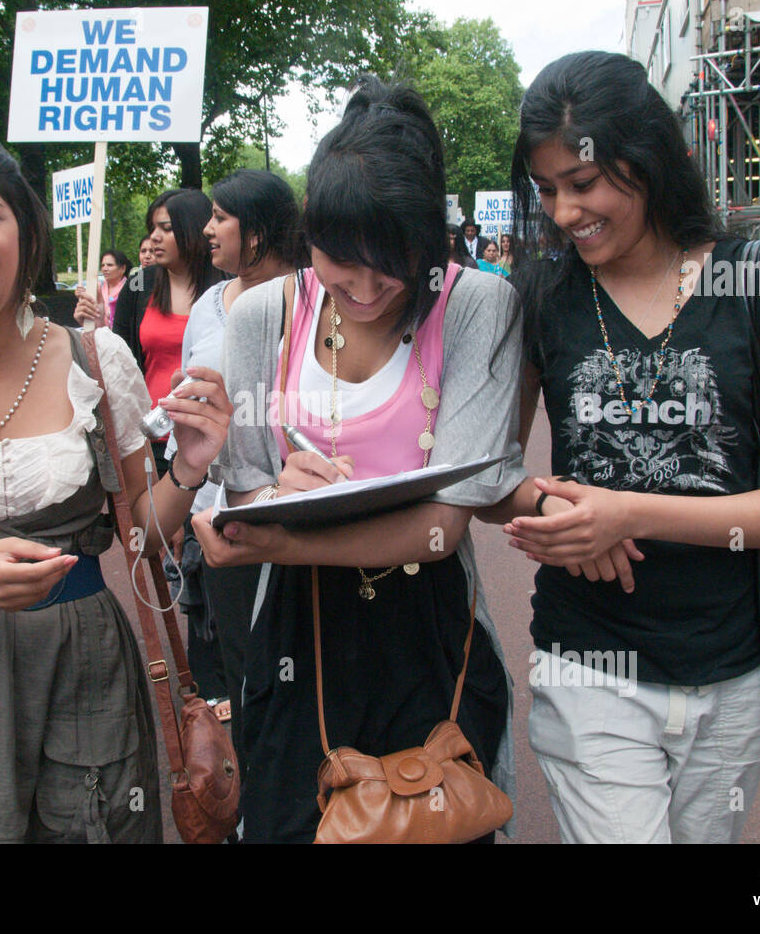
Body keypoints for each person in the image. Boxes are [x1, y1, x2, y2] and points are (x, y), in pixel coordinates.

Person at [192, 77, 558, 843]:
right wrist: (260, 500)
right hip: (298, 632)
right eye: (338, 260)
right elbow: (248, 498)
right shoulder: (264, 314)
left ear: (429, 239)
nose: (362, 289)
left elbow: (444, 527)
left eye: (390, 263)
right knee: (294, 819)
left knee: (443, 815)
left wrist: (284, 535)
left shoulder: (475, 306)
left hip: (428, 627)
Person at [486, 50, 760, 844]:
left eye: (585, 184)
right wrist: (563, 507)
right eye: (547, 191)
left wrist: (626, 513)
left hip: (734, 670)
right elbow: (490, 474)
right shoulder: (541, 294)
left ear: (646, 161)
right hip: (589, 665)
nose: (566, 212)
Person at [0, 132, 232, 844]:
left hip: (84, 672)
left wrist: (190, 466)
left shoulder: (96, 358)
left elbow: (142, 532)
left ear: (27, 234)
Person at [162, 169, 307, 767]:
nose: (208, 228)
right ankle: (249, 807)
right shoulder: (206, 304)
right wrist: (181, 489)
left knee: (295, 675)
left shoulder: (313, 298)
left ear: (260, 231)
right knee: (238, 674)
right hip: (215, 518)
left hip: (295, 516)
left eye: (222, 216)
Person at [108, 189, 225, 475]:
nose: (154, 238)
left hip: (211, 436)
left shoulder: (228, 288)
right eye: (152, 229)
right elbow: (122, 364)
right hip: (152, 437)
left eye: (167, 228)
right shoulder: (137, 288)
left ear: (196, 230)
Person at [71, 249, 132, 328]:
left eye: (110, 265)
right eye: (103, 265)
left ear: (123, 268)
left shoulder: (130, 290)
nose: (105, 269)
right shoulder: (98, 288)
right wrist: (83, 296)